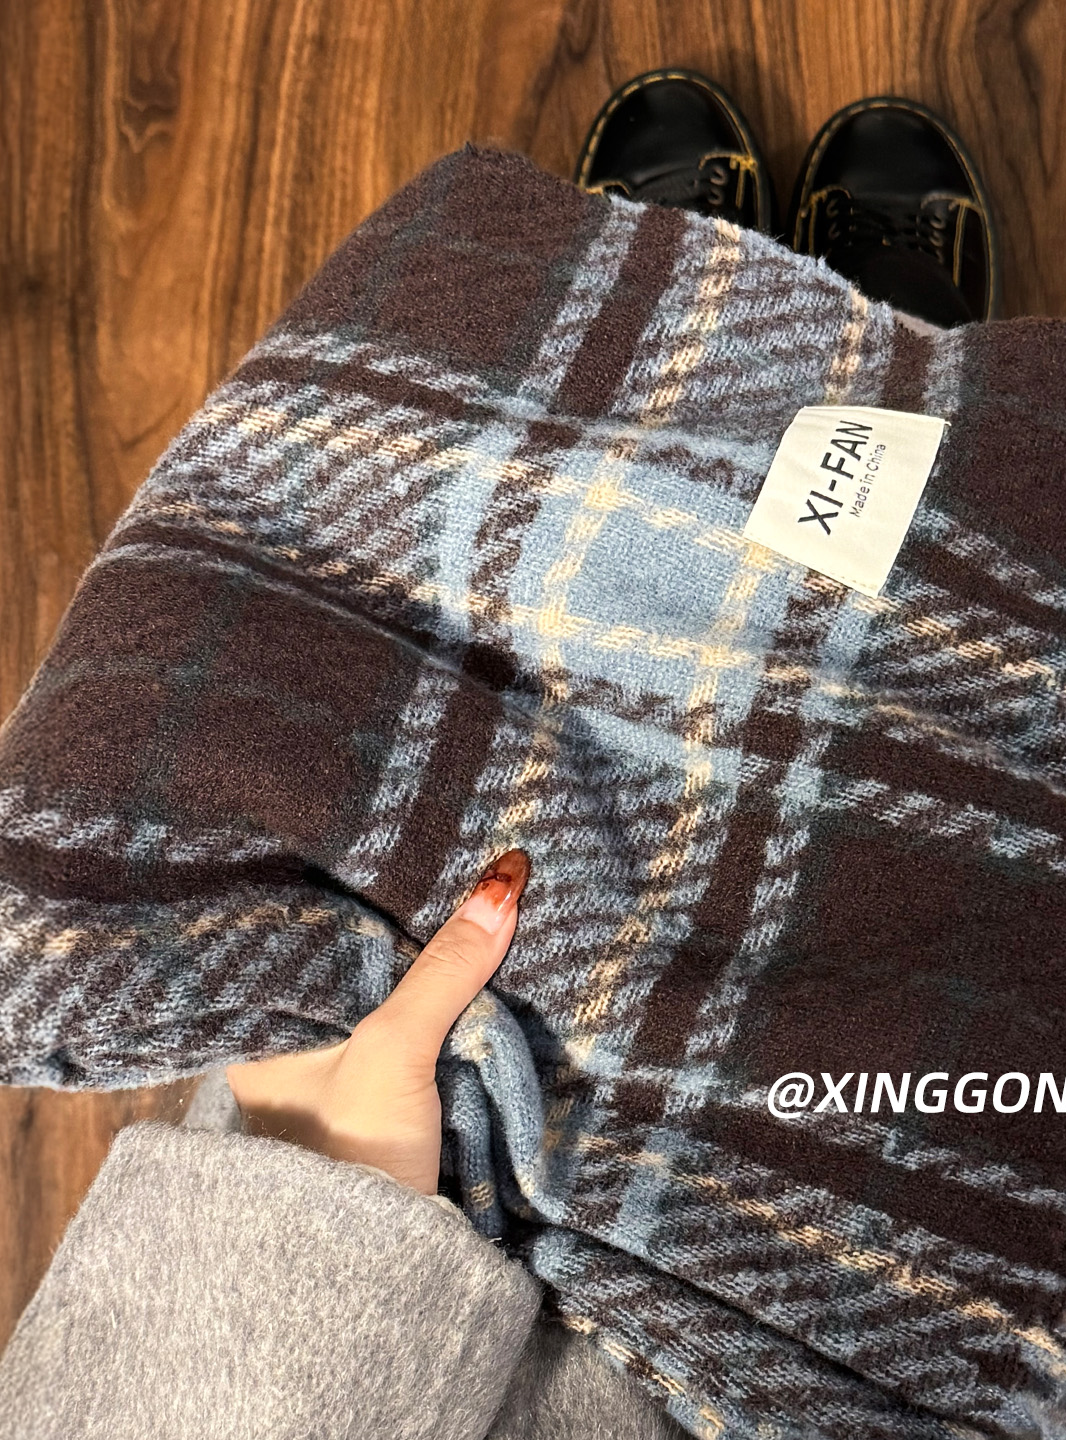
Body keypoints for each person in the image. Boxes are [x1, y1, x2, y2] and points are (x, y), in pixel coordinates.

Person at [0, 72, 1001, 1440]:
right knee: (869, 772)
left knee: (514, 677)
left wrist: (308, 1218)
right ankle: (883, 386)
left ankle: (703, 367)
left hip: (359, 1294)